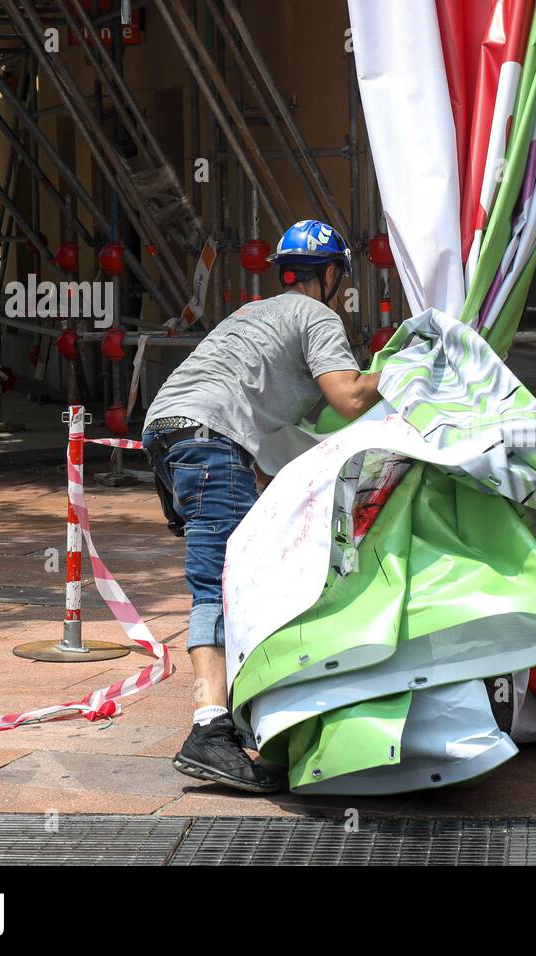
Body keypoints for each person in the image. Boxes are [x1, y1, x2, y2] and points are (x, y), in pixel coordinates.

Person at [141, 219, 381, 793]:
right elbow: (348, 398)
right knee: (219, 584)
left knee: (234, 570)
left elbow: (276, 460)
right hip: (209, 437)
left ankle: (242, 711)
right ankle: (209, 729)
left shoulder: (250, 316)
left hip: (168, 431)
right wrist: (402, 365)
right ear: (331, 275)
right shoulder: (317, 316)